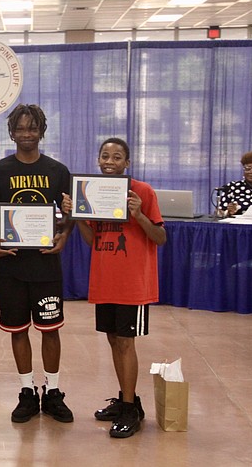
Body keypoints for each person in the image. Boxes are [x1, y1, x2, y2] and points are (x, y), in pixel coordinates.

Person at [61, 138, 167, 438]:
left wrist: (138, 214)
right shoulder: (92, 192)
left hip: (133, 284)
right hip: (106, 281)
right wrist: (77, 213)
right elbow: (91, 240)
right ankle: (125, 399)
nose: (110, 161)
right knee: (113, 341)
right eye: (105, 156)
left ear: (127, 162)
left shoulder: (142, 191)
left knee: (125, 343)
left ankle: (131, 408)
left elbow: (160, 237)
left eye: (117, 156)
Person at [0, 103, 74, 425]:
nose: (26, 134)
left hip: (46, 266)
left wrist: (64, 235)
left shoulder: (58, 171)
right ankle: (26, 392)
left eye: (32, 128)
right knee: (17, 330)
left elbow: (68, 216)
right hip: (12, 266)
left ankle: (53, 391)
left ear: (42, 132)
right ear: (11, 132)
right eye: (20, 128)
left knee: (50, 331)